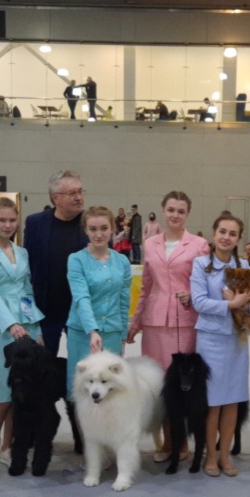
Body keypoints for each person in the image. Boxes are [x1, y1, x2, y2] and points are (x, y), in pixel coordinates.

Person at [127, 191, 210, 461]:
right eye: (171, 209)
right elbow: (146, 286)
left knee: (182, 382)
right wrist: (136, 321)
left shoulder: (199, 245)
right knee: (158, 384)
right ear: (163, 211)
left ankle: (182, 443)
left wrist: (193, 296)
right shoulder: (150, 244)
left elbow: (208, 283)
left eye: (181, 211)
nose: (175, 215)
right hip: (154, 322)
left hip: (185, 320)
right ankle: (167, 442)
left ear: (188, 214)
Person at [0, 197, 44, 468]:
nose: (7, 225)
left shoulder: (22, 252)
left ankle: (7, 446)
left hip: (27, 324)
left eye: (12, 220)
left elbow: (27, 290)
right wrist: (11, 323)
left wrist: (35, 327)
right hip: (1, 325)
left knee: (20, 391)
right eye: (1, 220)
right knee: (4, 390)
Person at [191, 211, 250, 477]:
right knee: (213, 402)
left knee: (232, 400)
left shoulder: (245, 266)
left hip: (237, 341)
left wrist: (244, 304)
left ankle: (225, 455)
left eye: (232, 234)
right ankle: (210, 456)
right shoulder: (201, 265)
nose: (226, 237)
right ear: (214, 234)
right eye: (222, 231)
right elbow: (198, 302)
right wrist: (230, 304)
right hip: (210, 341)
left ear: (238, 239)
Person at [66, 206, 133, 396]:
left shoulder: (122, 261)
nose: (98, 234)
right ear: (86, 231)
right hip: (83, 335)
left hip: (112, 333)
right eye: (93, 229)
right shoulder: (76, 260)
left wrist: (122, 335)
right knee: (81, 392)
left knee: (111, 392)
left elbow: (123, 300)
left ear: (112, 229)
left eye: (104, 228)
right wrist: (92, 330)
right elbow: (81, 297)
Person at [24, 170, 89, 357]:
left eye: (80, 191)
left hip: (80, 310)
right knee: (43, 364)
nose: (79, 197)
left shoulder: (92, 224)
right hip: (45, 311)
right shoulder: (35, 223)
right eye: (72, 193)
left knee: (83, 365)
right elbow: (27, 267)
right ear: (55, 197)